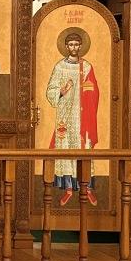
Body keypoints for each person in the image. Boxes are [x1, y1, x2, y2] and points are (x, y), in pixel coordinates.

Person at [46, 32, 100, 206]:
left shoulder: (87, 66)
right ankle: (68, 189)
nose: (74, 47)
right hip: (65, 116)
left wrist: (87, 89)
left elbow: (94, 90)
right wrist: (62, 91)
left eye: (77, 44)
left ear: (81, 46)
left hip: (83, 116)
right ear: (66, 46)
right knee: (65, 149)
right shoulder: (60, 67)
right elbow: (50, 90)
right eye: (71, 44)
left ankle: (87, 188)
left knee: (84, 148)